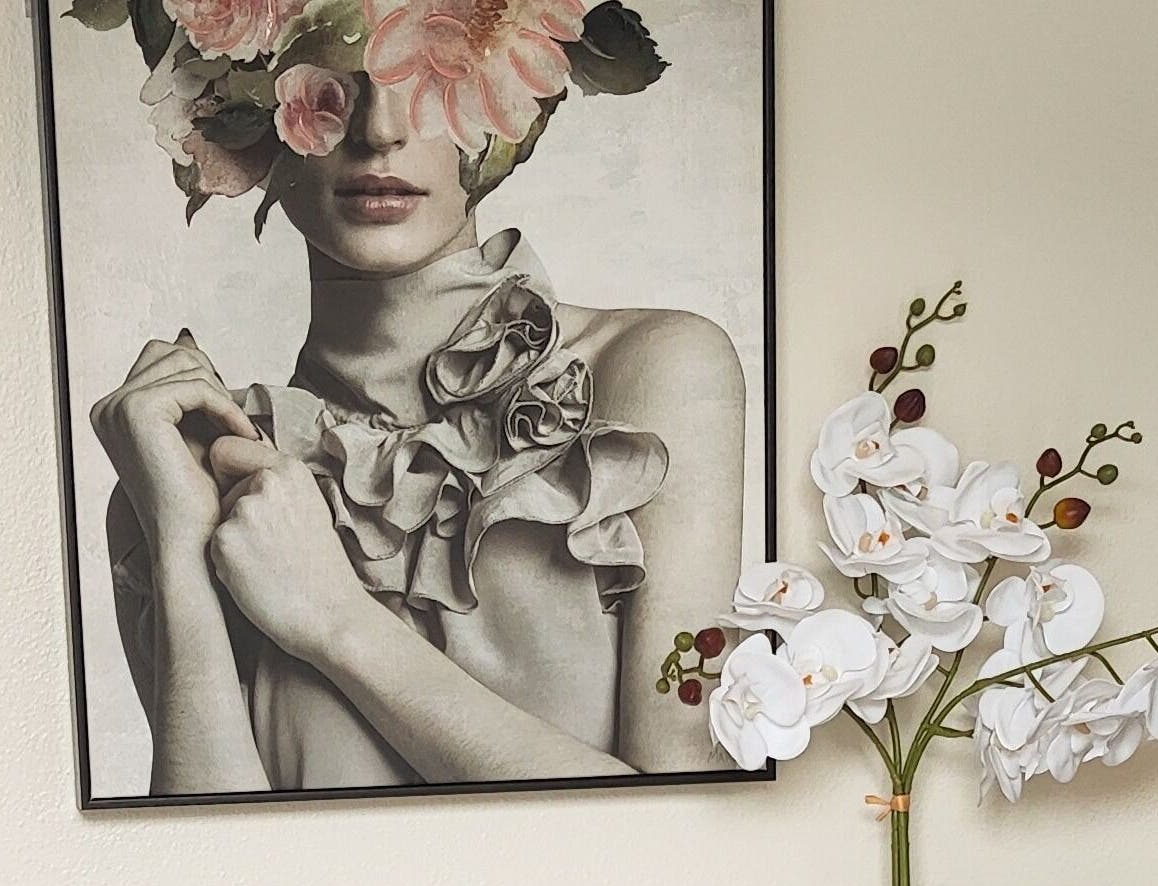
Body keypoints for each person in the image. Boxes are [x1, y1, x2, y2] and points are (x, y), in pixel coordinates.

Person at [86, 11, 746, 794]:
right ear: (232, 112)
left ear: (518, 98)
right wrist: (180, 546)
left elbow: (682, 832)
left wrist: (337, 622)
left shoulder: (651, 377)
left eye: (431, 71)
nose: (381, 128)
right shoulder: (183, 461)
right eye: (324, 73)